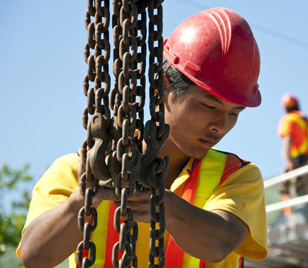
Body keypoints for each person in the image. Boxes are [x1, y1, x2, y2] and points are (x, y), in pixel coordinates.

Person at [17, 7, 267, 268]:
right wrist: (83, 200)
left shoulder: (236, 177)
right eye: (209, 107)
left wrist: (163, 205)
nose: (221, 126)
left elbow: (219, 244)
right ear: (163, 87)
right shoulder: (76, 170)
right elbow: (35, 257)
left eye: (235, 113)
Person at [276, 93, 308, 224]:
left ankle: (299, 223)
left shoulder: (288, 119)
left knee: (298, 197)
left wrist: (289, 162)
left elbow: (287, 140)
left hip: (300, 165)